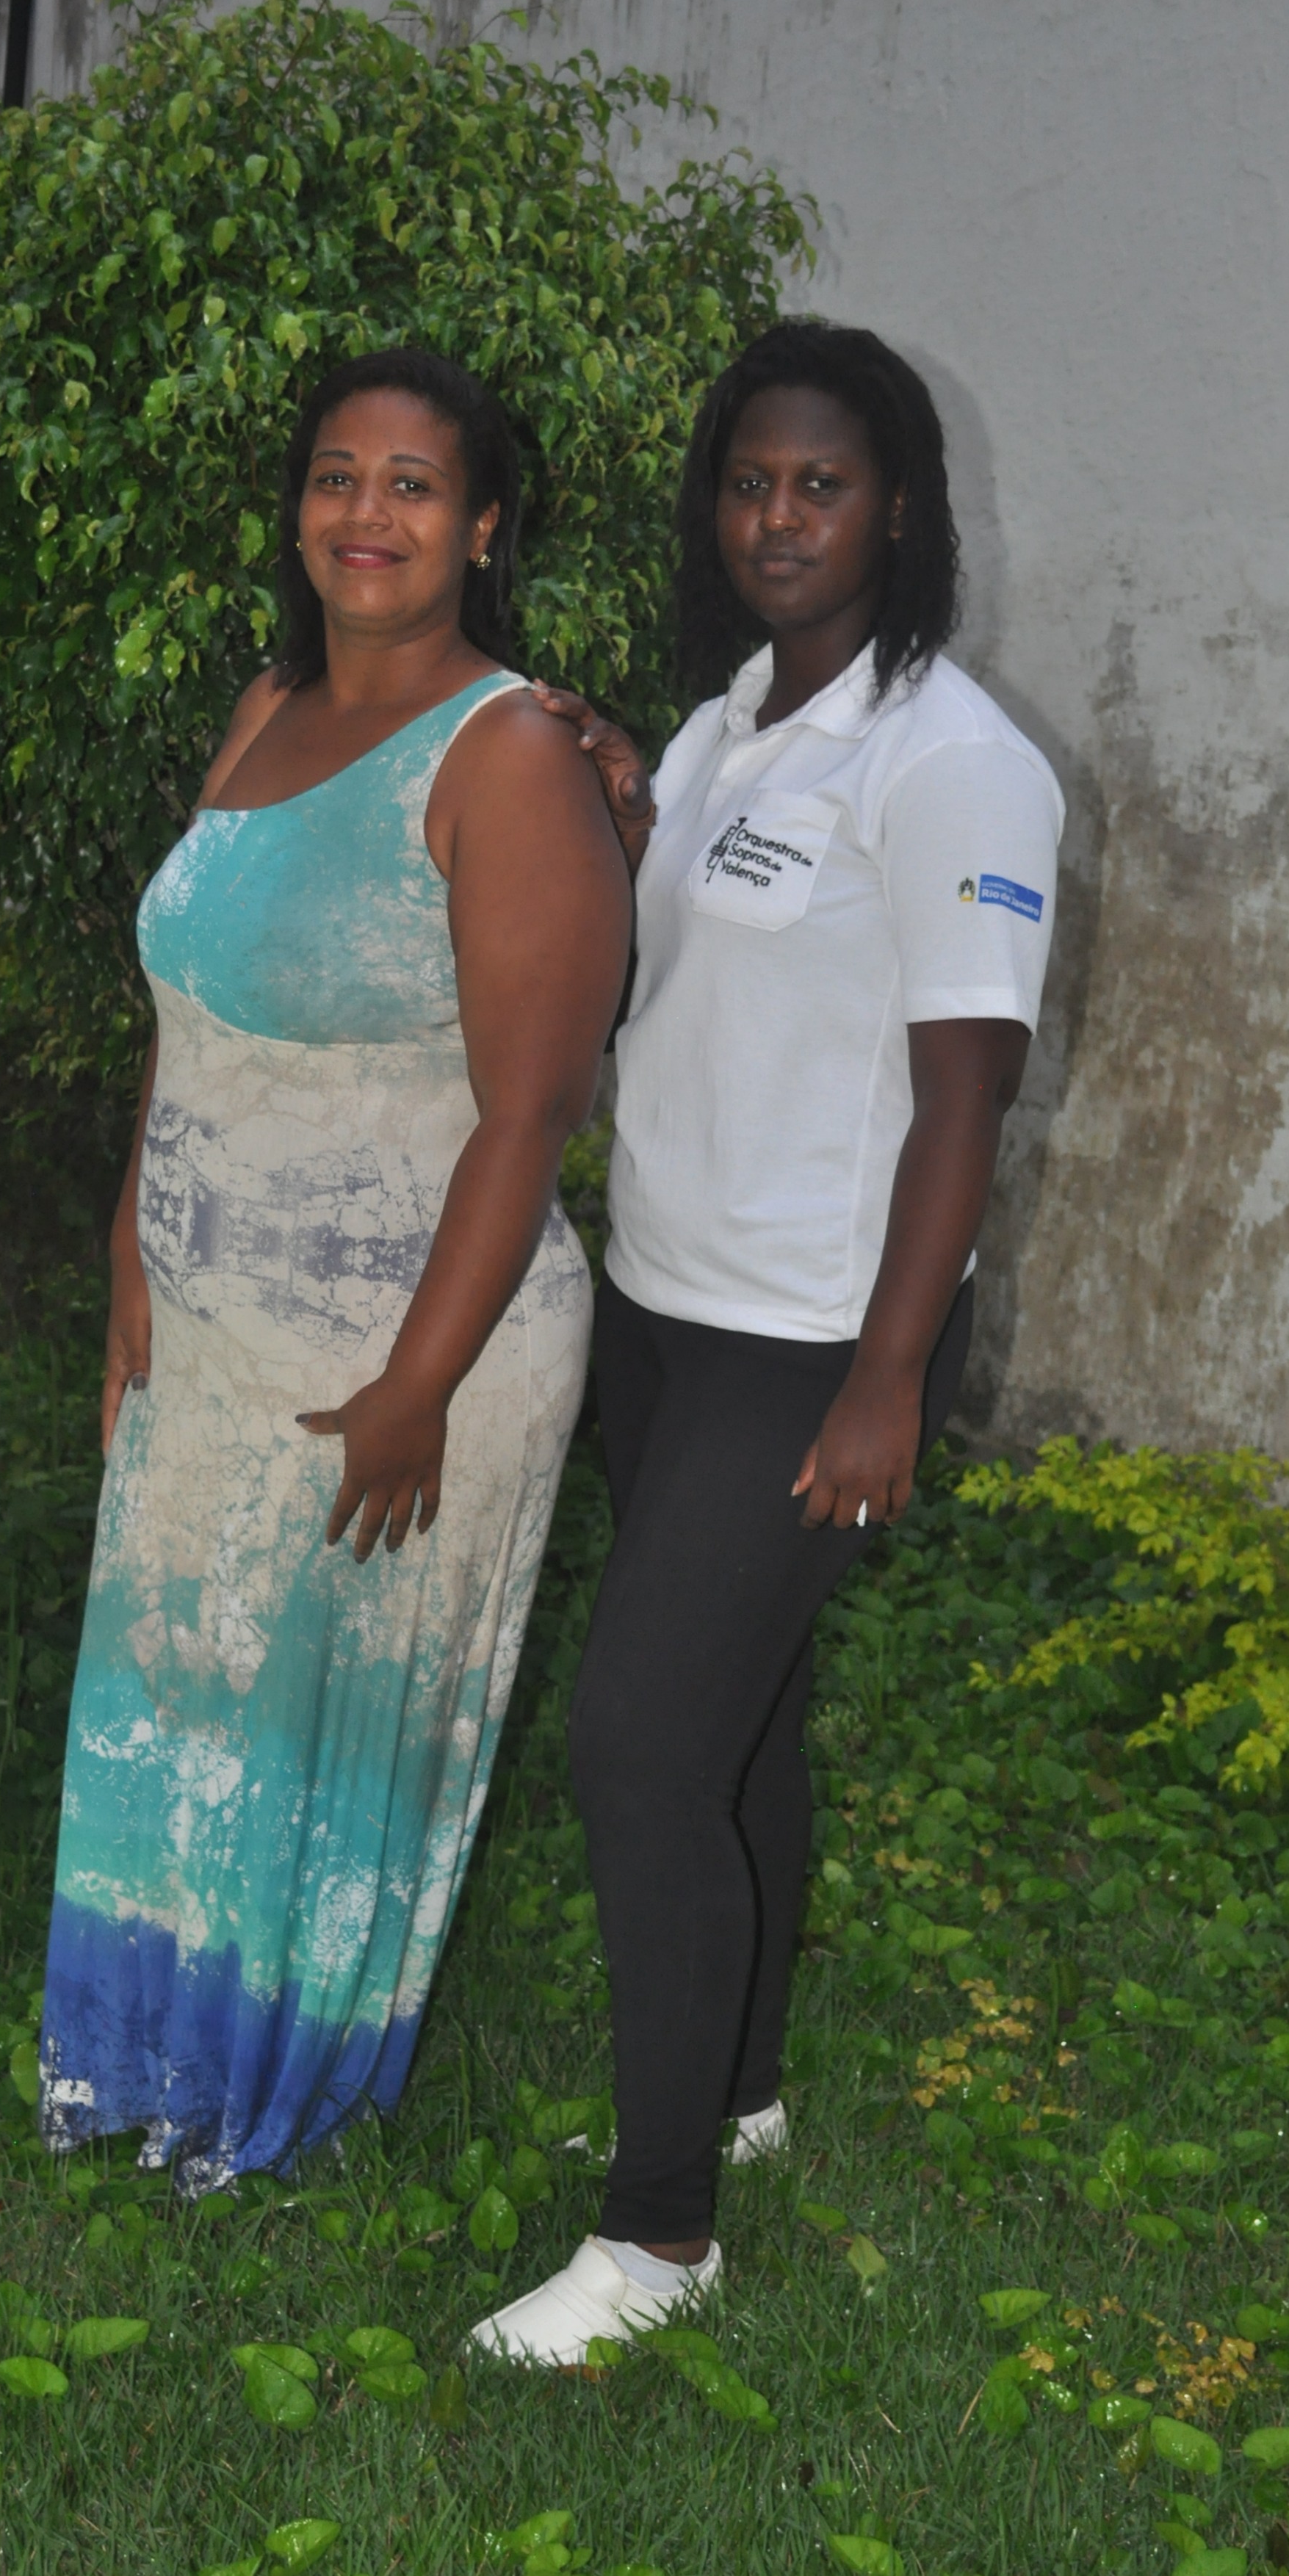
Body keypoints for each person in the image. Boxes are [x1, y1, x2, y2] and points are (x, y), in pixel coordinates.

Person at [471, 319, 1063, 2365]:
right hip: (667, 1299)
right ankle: (734, 2095)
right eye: (747, 481)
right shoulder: (731, 721)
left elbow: (967, 1097)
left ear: (898, 508)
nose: (777, 517)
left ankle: (659, 2241)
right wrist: (635, 807)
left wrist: (889, 1377)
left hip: (809, 1341)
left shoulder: (950, 760)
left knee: (638, 1743)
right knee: (741, 1726)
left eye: (821, 484)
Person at [38, 350, 630, 2191]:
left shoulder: (506, 755)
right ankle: (138, 2059)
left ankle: (268, 2101)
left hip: (404, 1348)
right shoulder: (263, 708)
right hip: (211, 1321)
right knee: (184, 1691)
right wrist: (131, 1257)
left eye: (411, 484)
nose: (364, 514)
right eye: (334, 476)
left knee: (307, 1729)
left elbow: (530, 1112)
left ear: (482, 528)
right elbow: (192, 1018)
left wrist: (414, 1385)